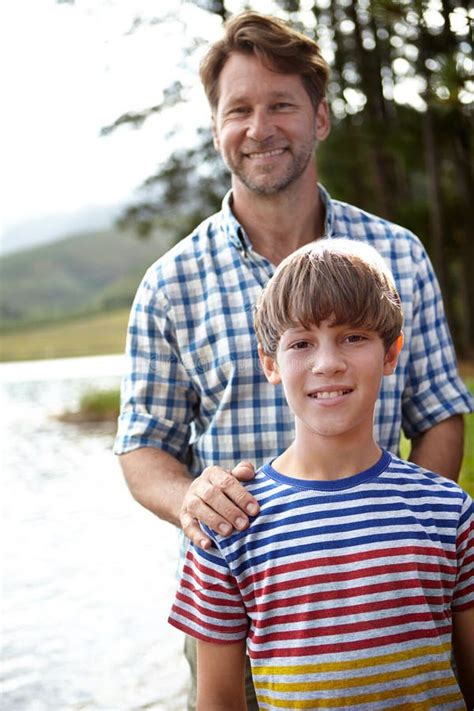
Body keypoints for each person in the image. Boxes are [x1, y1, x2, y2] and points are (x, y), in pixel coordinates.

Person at [114, 11, 473, 709]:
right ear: (217, 126)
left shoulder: (397, 254)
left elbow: (440, 412)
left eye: (281, 104)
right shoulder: (169, 284)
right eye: (239, 109)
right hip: (244, 594)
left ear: (320, 118)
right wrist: (192, 499)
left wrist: (400, 541)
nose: (259, 128)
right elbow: (142, 450)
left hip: (396, 587)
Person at [168, 238, 474, 711]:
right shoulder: (228, 526)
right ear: (270, 363)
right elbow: (219, 703)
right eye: (301, 343)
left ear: (391, 354)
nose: (328, 363)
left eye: (353, 337)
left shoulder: (449, 510)